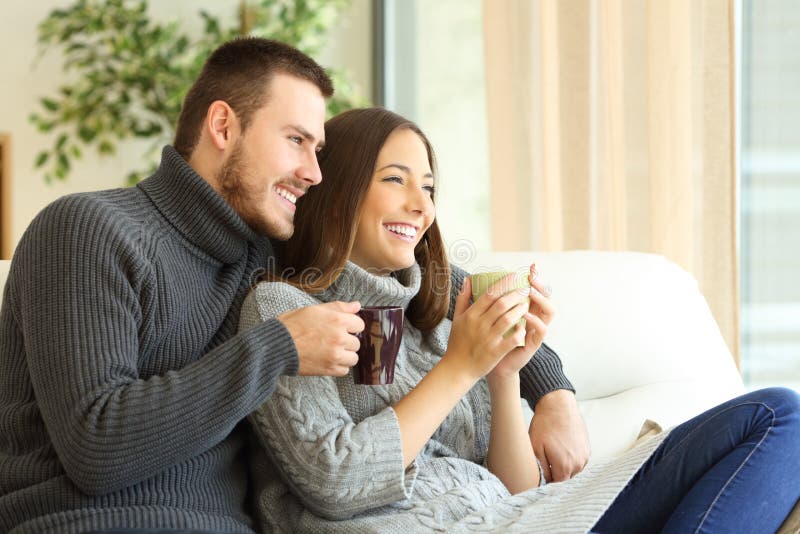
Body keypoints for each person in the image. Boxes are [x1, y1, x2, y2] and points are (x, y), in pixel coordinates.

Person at [0, 38, 584, 533]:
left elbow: (434, 278)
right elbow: (98, 448)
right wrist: (278, 346)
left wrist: (553, 390)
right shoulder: (87, 229)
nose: (315, 172)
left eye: (320, 151)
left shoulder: (261, 248)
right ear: (223, 125)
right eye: (296, 142)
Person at [241, 107, 800, 533]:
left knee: (774, 415)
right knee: (778, 416)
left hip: (523, 517)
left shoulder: (439, 302)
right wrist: (461, 367)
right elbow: (335, 481)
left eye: (429, 187)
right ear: (337, 193)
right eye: (396, 180)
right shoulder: (284, 309)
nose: (422, 205)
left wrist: (509, 376)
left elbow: (510, 488)